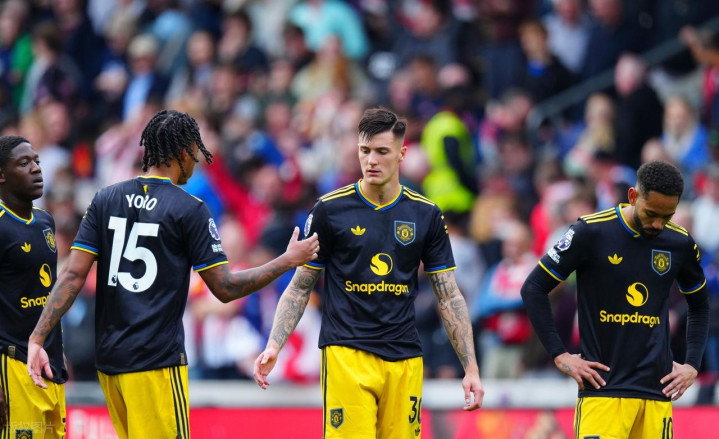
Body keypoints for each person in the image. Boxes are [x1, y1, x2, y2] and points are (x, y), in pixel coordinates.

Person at [26, 109, 319, 439]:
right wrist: (287, 260)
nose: (196, 162)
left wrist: (37, 337)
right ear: (183, 152)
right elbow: (225, 287)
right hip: (155, 363)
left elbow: (71, 276)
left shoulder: (106, 198)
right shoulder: (189, 209)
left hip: (109, 363)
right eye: (195, 152)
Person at [253, 108, 484, 438]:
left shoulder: (426, 214)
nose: (371, 160)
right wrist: (275, 344)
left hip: (404, 358)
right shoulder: (330, 210)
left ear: (401, 154)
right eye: (365, 151)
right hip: (347, 354)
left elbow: (448, 295)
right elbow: (301, 286)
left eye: (382, 151)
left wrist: (470, 367)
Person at [521, 160, 709, 438]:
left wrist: (692, 364)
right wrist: (559, 354)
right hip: (603, 393)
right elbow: (534, 287)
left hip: (657, 395)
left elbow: (700, 305)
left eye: (667, 216)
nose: (658, 224)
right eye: (651, 213)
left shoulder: (679, 243)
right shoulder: (591, 231)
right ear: (633, 196)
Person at [0, 135, 65, 438]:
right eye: (24, 163)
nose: (36, 168)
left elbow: (46, 293)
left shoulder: (45, 221)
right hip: (13, 365)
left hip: (49, 363)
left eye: (37, 161)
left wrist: (58, 349)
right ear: (2, 175)